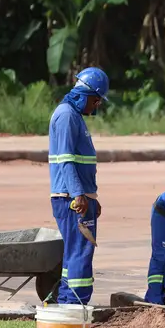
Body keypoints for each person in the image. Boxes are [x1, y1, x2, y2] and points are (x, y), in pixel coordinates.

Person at [48, 67, 109, 305]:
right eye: (96, 100)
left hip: (79, 196)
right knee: (81, 252)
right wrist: (78, 195)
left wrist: (91, 197)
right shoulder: (66, 116)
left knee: (77, 251)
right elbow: (66, 160)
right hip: (70, 198)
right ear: (84, 94)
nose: (96, 106)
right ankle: (74, 305)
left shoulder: (74, 116)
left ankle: (68, 302)